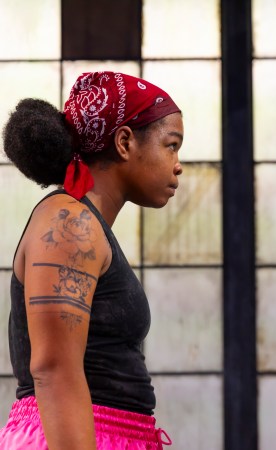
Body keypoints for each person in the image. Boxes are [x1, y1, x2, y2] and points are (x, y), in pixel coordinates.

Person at [0, 71, 183, 449]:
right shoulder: (69, 222)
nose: (178, 164)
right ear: (124, 141)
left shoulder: (84, 224)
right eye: (171, 145)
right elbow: (54, 369)